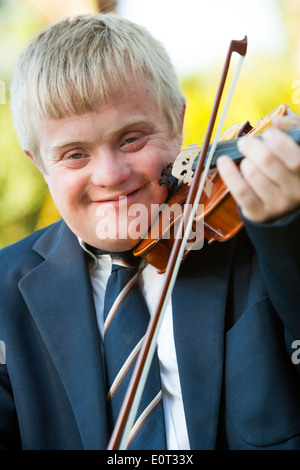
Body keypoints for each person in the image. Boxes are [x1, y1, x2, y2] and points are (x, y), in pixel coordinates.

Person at [1, 12, 300, 451]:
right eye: (75, 154)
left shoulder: (259, 243)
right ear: (38, 163)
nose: (110, 174)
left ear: (178, 122)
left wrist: (287, 237)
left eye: (132, 139)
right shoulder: (4, 293)